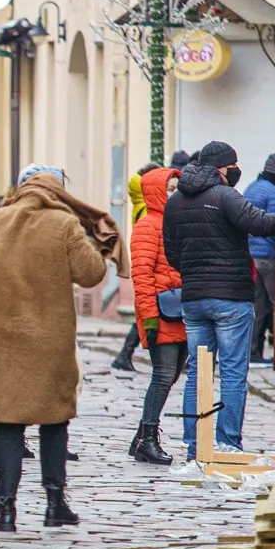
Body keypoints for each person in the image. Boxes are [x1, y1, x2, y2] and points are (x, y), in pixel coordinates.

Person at [0, 165, 119, 531]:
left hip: (1, 339)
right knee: (54, 420)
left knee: (7, 424)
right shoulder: (64, 226)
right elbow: (91, 274)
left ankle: (6, 511)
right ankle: (54, 504)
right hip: (49, 341)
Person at [164, 141, 275, 459]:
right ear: (223, 167)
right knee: (232, 373)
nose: (236, 170)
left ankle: (195, 444)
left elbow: (172, 255)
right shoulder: (225, 196)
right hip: (231, 297)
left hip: (194, 298)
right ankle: (227, 443)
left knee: (197, 372)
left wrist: (196, 270)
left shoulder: (175, 200)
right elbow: (261, 224)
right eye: (233, 165)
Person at [127, 166, 186, 466]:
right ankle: (147, 440)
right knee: (163, 376)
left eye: (178, 187)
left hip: (181, 311)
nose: (176, 193)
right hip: (161, 313)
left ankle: (141, 436)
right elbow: (141, 275)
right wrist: (149, 317)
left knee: (172, 375)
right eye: (171, 188)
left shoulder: (177, 222)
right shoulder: (148, 225)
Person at [243, 152, 275, 365]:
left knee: (257, 308)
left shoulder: (250, 188)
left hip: (250, 256)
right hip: (269, 257)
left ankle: (253, 352)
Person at [110, 166, 151, 373]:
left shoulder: (141, 203)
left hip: (143, 269)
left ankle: (125, 354)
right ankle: (125, 354)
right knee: (146, 315)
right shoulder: (147, 208)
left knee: (145, 315)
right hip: (148, 270)